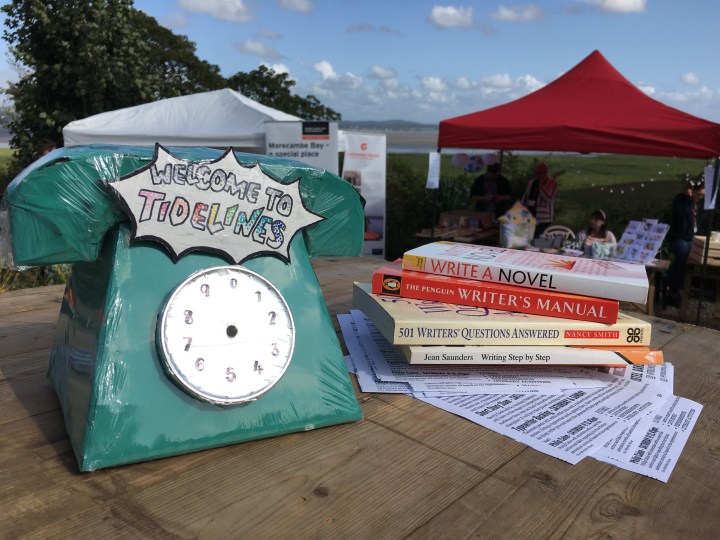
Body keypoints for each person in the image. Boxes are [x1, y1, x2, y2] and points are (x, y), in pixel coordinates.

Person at [665, 177, 705, 307]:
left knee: (693, 257)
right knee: (682, 256)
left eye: (702, 195)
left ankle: (683, 288)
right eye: (698, 194)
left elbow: (696, 221)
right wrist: (688, 198)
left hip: (691, 237)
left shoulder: (696, 204)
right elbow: (681, 214)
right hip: (679, 237)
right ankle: (673, 289)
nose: (699, 198)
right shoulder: (681, 200)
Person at [520, 162, 557, 237]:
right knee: (529, 237)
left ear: (545, 172)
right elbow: (525, 197)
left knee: (538, 237)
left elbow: (549, 198)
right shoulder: (532, 182)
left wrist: (541, 186)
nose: (539, 175)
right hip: (530, 215)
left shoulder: (552, 182)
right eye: (537, 173)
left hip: (544, 218)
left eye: (541, 173)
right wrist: (520, 207)